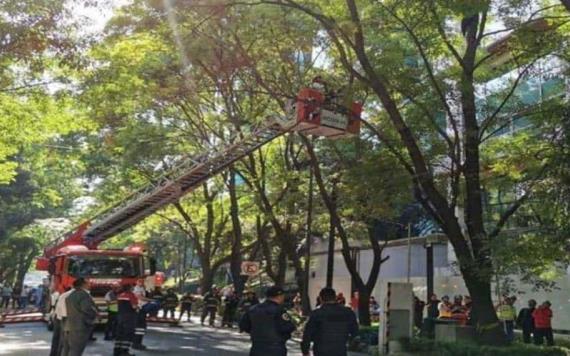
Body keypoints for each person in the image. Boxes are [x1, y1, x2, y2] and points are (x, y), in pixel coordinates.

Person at [239, 286, 296, 356]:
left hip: (257, 347)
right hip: (275, 348)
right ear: (279, 296)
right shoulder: (279, 310)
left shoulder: (253, 309)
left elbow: (243, 325)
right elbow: (288, 327)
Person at [301, 287, 358, 356]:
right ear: (335, 297)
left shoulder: (317, 314)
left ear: (320, 299)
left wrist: (305, 351)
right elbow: (355, 332)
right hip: (340, 350)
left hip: (321, 351)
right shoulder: (348, 312)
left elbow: (307, 334)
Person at [62, 278, 97, 356]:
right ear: (83, 284)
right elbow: (87, 309)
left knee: (66, 350)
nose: (89, 285)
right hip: (79, 326)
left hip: (69, 325)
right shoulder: (83, 295)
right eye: (87, 283)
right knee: (76, 351)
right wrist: (95, 315)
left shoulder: (70, 295)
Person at [114, 284, 138, 356]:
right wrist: (138, 307)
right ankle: (124, 351)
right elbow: (134, 306)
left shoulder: (120, 295)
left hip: (120, 316)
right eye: (132, 287)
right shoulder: (131, 295)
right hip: (129, 317)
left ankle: (117, 351)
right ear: (130, 288)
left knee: (120, 333)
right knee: (128, 334)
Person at [49, 287, 73, 356]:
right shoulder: (67, 295)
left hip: (58, 317)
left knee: (57, 339)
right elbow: (64, 313)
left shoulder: (60, 295)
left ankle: (54, 354)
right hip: (62, 319)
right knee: (62, 341)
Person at [132, 279, 150, 350]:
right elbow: (140, 297)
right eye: (140, 282)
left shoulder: (142, 288)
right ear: (137, 282)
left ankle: (138, 343)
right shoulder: (137, 289)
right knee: (139, 326)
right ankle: (136, 343)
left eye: (143, 282)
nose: (142, 283)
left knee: (141, 327)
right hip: (139, 309)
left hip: (141, 309)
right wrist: (151, 300)